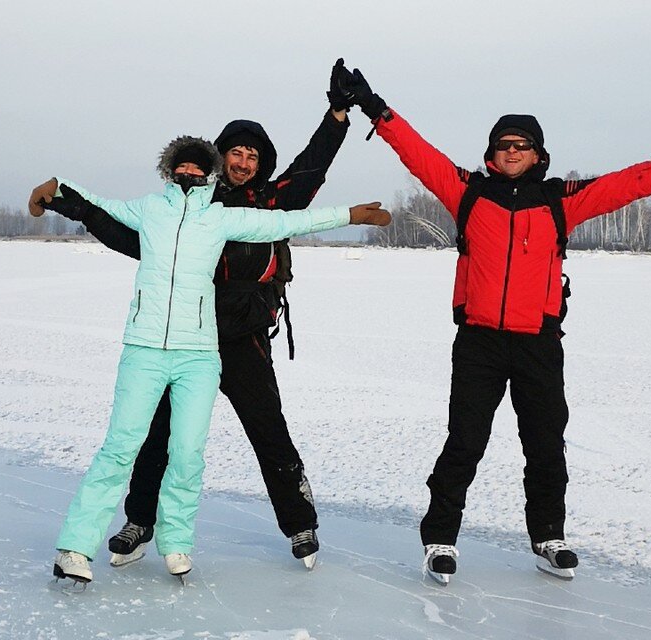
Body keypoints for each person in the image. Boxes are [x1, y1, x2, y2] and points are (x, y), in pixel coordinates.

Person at [337, 62, 651, 583]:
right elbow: (417, 152)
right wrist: (374, 106)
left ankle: (549, 536)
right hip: (480, 341)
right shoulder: (468, 193)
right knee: (465, 442)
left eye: (522, 144)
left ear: (537, 154)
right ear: (491, 153)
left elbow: (627, 185)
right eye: (504, 143)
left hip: (538, 344)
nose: (512, 151)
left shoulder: (560, 200)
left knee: (546, 444)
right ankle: (440, 537)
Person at [28, 135, 390, 586]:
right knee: (138, 443)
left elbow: (291, 216)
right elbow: (103, 210)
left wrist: (348, 212)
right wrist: (59, 191)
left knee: (232, 439)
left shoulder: (236, 212)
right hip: (156, 343)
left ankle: (289, 526)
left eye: (250, 156)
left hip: (223, 342)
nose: (195, 174)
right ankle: (127, 528)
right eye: (231, 154)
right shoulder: (153, 209)